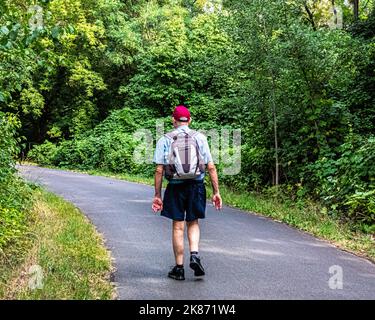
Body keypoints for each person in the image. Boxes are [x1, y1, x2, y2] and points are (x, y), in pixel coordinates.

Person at [152, 105, 222, 281]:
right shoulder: (200, 138)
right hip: (196, 185)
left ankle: (179, 268)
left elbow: (159, 170)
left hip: (175, 186)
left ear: (173, 120)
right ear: (189, 120)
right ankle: (195, 255)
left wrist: (157, 195)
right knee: (193, 222)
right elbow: (211, 167)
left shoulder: (165, 139)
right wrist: (216, 192)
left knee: (178, 226)